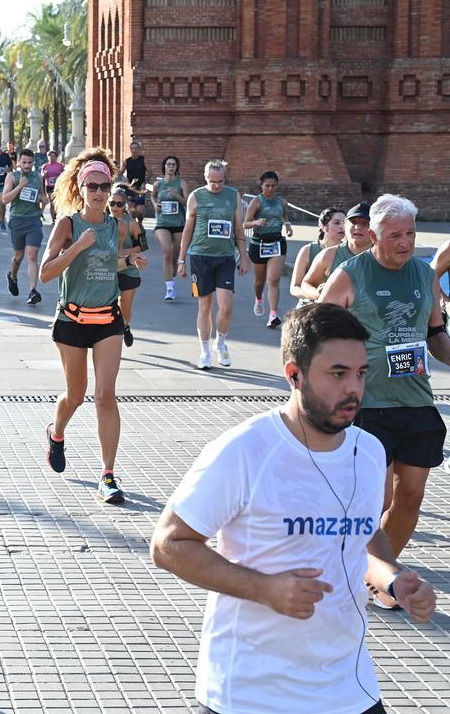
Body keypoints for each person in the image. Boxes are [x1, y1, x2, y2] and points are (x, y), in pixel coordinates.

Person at [151, 303, 437, 714]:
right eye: (337, 374)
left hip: (348, 688)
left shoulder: (369, 451)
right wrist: (263, 589)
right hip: (249, 695)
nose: (353, 388)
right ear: (294, 375)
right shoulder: (244, 451)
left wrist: (393, 579)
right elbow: (167, 543)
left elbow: (360, 535)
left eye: (360, 373)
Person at [318, 195, 450, 594]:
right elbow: (317, 333)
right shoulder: (350, 273)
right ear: (374, 235)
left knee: (410, 497)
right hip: (367, 403)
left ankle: (377, 579)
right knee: (370, 503)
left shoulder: (423, 276)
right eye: (396, 235)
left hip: (416, 400)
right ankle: (359, 573)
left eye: (411, 233)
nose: (406, 242)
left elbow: (435, 336)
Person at [40, 149, 147, 504]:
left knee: (105, 395)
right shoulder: (68, 224)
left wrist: (129, 260)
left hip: (107, 320)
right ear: (81, 188)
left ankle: (108, 475)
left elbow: (104, 264)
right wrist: (77, 248)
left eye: (105, 186)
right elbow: (46, 272)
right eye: (93, 186)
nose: (100, 193)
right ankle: (56, 433)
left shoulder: (116, 225)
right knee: (76, 394)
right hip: (71, 319)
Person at [178, 159, 249, 370]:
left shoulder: (232, 195)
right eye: (212, 181)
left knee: (226, 306)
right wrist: (181, 260)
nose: (216, 185)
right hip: (200, 256)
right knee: (204, 306)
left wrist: (243, 257)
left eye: (220, 181)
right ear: (205, 178)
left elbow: (238, 228)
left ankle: (221, 342)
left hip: (225, 257)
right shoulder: (196, 196)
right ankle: (205, 350)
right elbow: (187, 230)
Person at [244, 171, 294, 328]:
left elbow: (284, 215)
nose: (270, 189)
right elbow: (245, 223)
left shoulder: (281, 201)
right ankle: (259, 299)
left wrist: (287, 225)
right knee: (260, 281)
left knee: (273, 280)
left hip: (276, 243)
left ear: (277, 186)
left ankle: (273, 315)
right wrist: (256, 222)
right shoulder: (256, 202)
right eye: (267, 186)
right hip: (259, 244)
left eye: (273, 186)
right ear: (261, 185)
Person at [1, 149, 49, 305]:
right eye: (24, 162)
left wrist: (44, 200)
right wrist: (20, 186)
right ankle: (12, 276)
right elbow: (5, 200)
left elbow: (41, 195)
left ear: (33, 162)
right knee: (18, 256)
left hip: (33, 220)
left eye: (29, 162)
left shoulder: (38, 177)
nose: (27, 166)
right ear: (19, 162)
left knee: (32, 255)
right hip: (17, 220)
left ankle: (32, 290)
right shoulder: (12, 176)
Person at [302, 201, 372, 299]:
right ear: (345, 226)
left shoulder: (384, 255)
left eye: (365, 223)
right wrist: (318, 293)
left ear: (374, 228)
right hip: (336, 313)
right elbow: (306, 284)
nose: (358, 227)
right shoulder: (328, 255)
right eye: (354, 222)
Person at [111, 186, 147, 346]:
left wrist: (122, 251)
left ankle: (124, 327)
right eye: (112, 203)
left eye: (119, 204)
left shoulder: (131, 223)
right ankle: (111, 336)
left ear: (125, 205)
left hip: (129, 270)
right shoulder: (102, 220)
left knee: (124, 307)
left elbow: (142, 246)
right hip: (109, 269)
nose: (115, 207)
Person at [290, 207, 345, 307]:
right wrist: (316, 294)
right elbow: (294, 288)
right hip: (308, 307)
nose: (342, 226)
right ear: (324, 227)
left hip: (338, 308)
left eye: (344, 223)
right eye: (337, 223)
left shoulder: (349, 250)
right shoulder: (307, 250)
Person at [150, 155, 187, 300]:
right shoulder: (158, 184)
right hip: (162, 223)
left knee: (175, 253)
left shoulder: (182, 183)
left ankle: (172, 271)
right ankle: (169, 288)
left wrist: (176, 195)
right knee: (166, 252)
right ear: (164, 167)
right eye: (168, 164)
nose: (171, 167)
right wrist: (154, 204)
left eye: (173, 164)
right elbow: (153, 196)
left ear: (177, 167)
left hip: (178, 223)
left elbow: (186, 203)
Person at [120, 139, 148, 224]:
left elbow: (150, 172)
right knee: (132, 212)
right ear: (130, 149)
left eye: (136, 148)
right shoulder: (127, 161)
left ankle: (140, 224)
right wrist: (125, 181)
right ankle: (133, 229)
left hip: (140, 189)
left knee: (140, 211)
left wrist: (145, 182)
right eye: (132, 148)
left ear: (139, 150)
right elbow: (120, 173)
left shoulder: (143, 160)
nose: (134, 150)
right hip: (131, 188)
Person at [41, 148, 64, 222]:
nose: (52, 157)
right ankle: (53, 219)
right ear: (48, 157)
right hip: (49, 186)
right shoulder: (45, 166)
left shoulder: (60, 165)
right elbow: (42, 176)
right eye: (50, 156)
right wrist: (44, 174)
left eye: (53, 156)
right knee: (52, 202)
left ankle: (56, 214)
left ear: (56, 157)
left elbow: (64, 175)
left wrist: (60, 175)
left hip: (57, 186)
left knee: (56, 202)